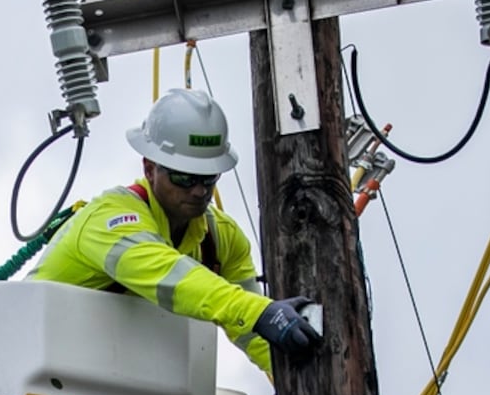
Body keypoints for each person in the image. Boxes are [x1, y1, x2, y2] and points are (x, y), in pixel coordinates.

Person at [27, 88, 320, 375]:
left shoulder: (223, 240)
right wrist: (259, 312)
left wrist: (305, 381)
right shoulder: (110, 218)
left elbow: (255, 334)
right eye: (183, 177)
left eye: (208, 178)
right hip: (31, 370)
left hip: (117, 387)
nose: (199, 191)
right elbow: (171, 277)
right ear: (150, 168)